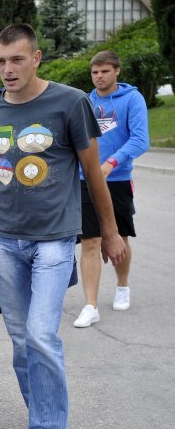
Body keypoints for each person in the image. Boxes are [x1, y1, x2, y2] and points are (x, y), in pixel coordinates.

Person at [0, 24, 126, 429]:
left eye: (16, 60)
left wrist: (109, 232)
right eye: (0, 61)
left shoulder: (70, 102)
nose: (7, 69)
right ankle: (40, 415)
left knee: (42, 336)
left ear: (37, 58)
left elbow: (93, 171)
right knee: (21, 342)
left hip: (53, 240)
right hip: (4, 240)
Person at [73, 50, 149, 328]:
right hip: (84, 181)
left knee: (119, 238)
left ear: (117, 71)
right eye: (94, 72)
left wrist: (111, 163)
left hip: (117, 181)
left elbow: (140, 140)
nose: (99, 77)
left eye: (104, 71)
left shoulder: (132, 99)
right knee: (90, 241)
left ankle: (122, 286)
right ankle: (91, 305)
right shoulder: (85, 101)